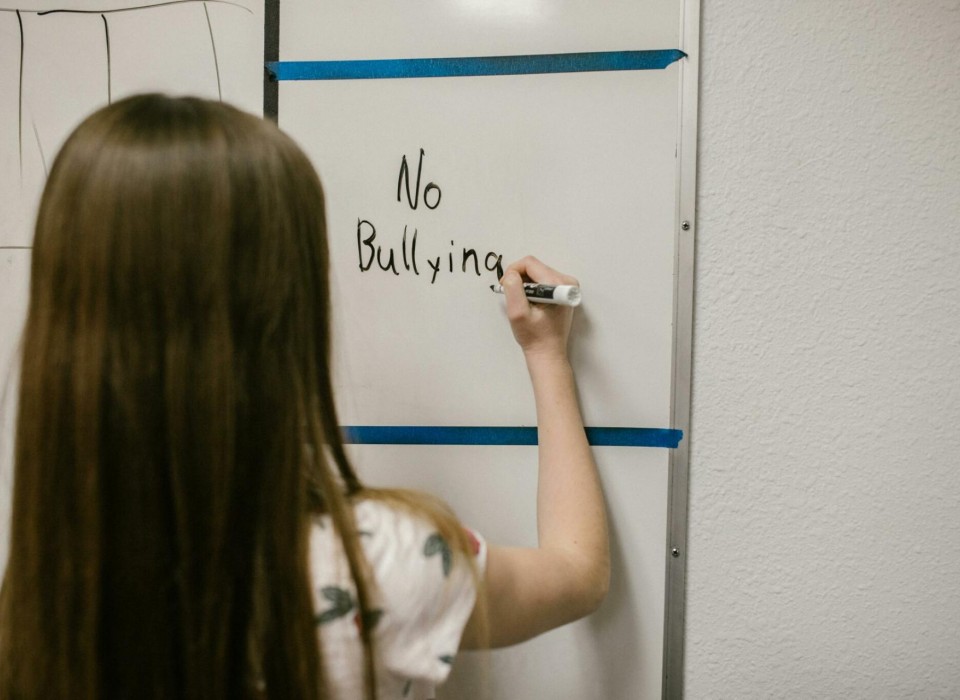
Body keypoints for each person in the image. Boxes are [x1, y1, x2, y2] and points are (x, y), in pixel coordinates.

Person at [0, 94, 609, 699]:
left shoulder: (38, 591)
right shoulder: (381, 565)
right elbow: (578, 574)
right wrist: (546, 356)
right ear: (281, 314)